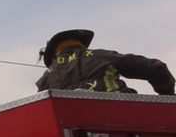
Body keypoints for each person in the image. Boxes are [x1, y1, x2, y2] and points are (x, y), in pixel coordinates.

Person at [36, 29, 175, 95]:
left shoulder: (44, 81)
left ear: (53, 56)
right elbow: (157, 69)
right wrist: (168, 97)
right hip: (127, 116)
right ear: (81, 44)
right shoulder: (99, 56)